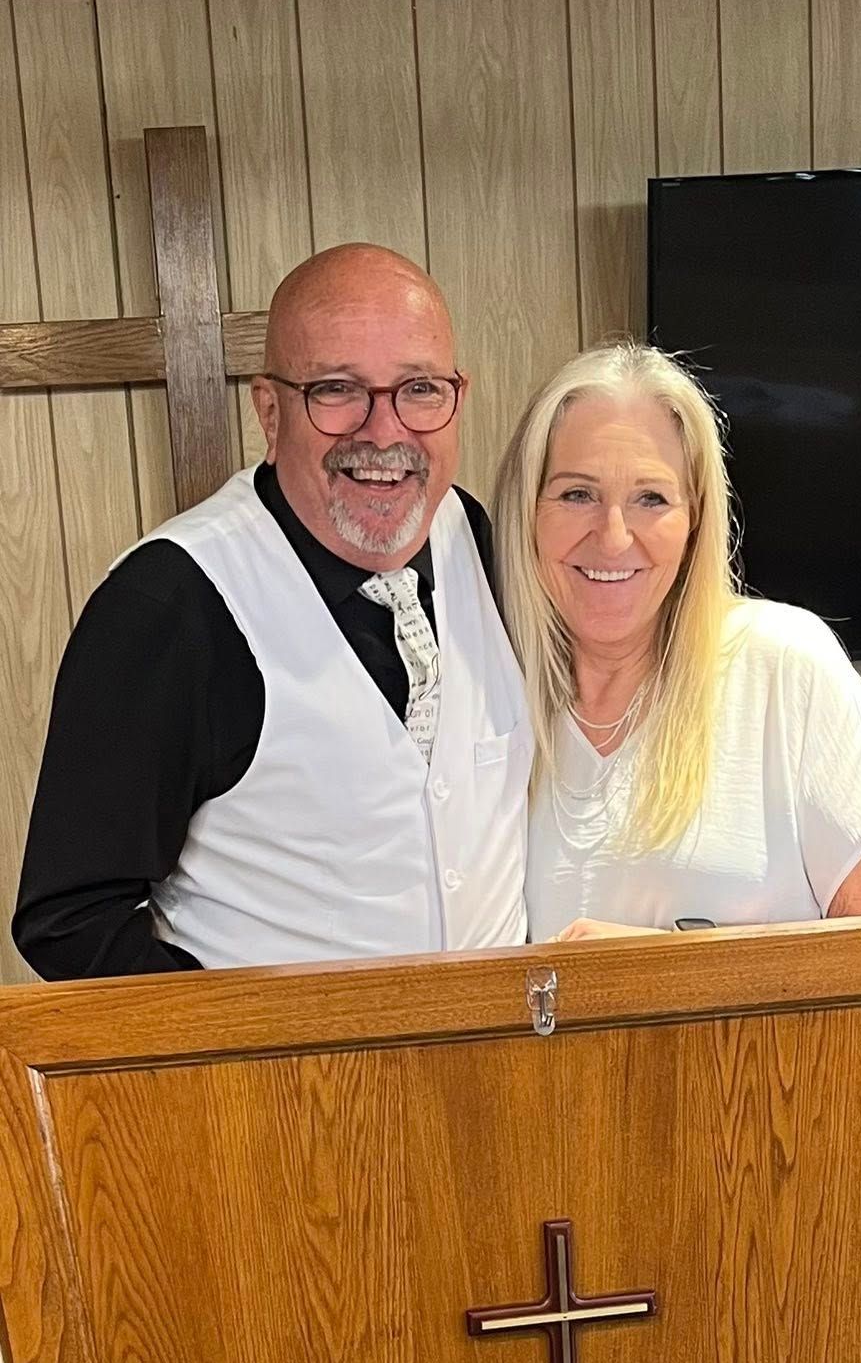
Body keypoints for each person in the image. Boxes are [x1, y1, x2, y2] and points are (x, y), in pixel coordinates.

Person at [14, 245, 531, 978]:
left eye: (418, 388)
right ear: (269, 409)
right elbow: (70, 919)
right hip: (285, 1087)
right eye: (336, 389)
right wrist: (242, 1070)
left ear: (457, 396)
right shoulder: (166, 608)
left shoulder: (476, 535)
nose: (383, 432)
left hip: (502, 1070)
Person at [493, 341, 861, 941]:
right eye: (578, 494)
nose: (615, 536)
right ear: (528, 510)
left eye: (651, 498)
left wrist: (664, 974)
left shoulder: (784, 666)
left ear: (695, 519)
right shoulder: (495, 694)